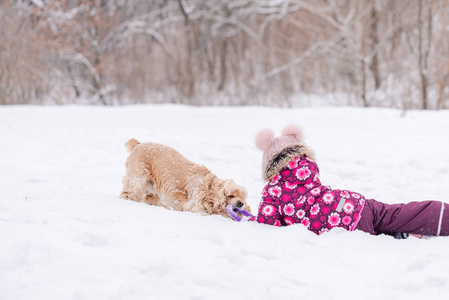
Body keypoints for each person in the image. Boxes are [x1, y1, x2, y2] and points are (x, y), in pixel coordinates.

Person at [247, 125, 449, 238]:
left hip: (341, 224)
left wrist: (247, 219)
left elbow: (267, 224)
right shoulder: (308, 169)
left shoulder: (272, 191)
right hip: (353, 203)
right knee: (394, 214)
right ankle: (440, 217)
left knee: (370, 231)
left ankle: (398, 234)